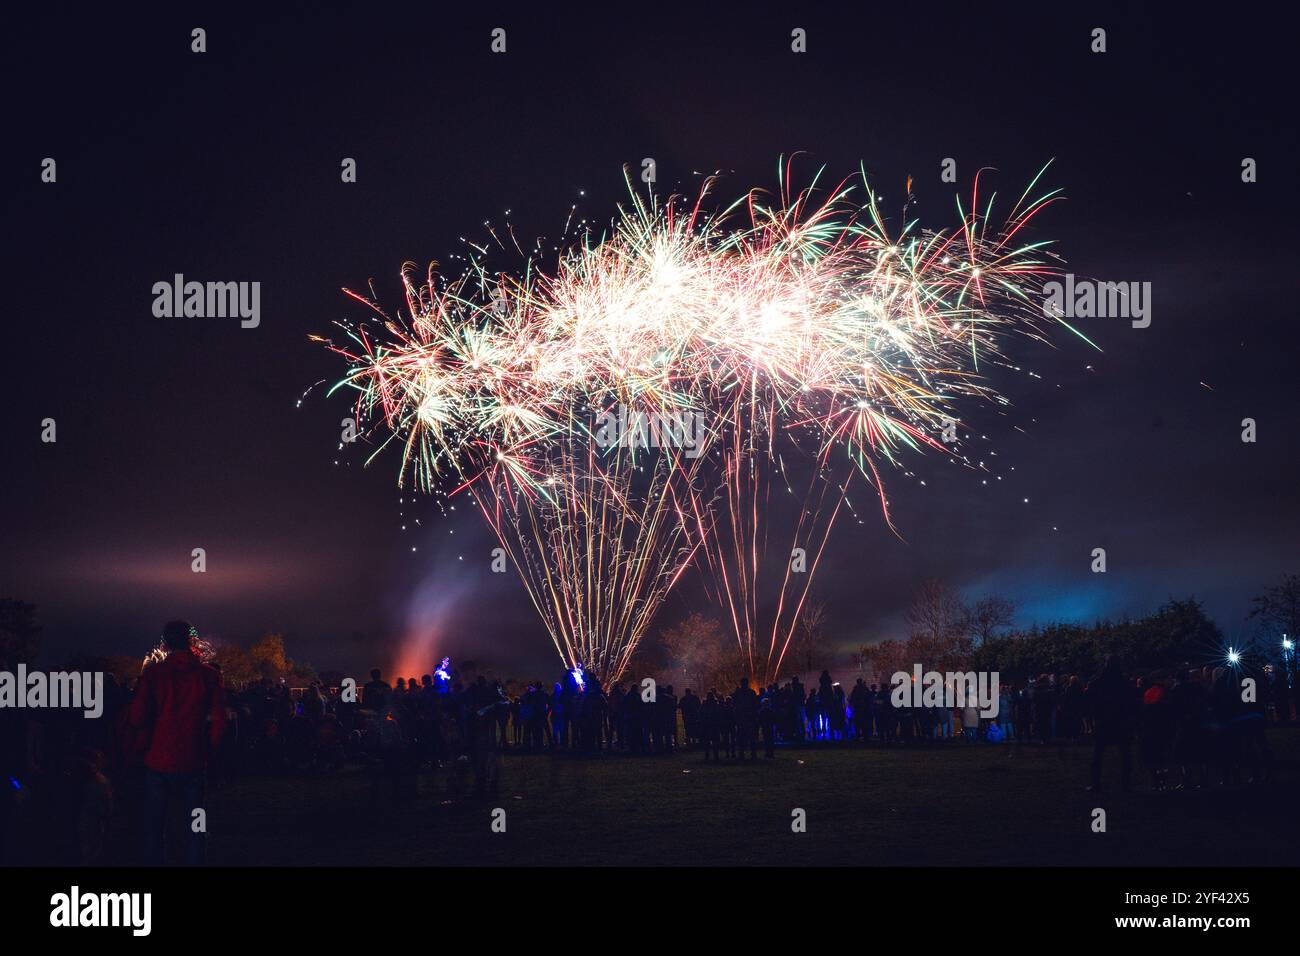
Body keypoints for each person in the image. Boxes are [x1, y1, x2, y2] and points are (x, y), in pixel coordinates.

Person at [125, 620, 226, 865]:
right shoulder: (209, 675)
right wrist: (210, 751)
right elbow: (218, 720)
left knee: (154, 823)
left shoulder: (153, 674)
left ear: (166, 643)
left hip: (158, 757)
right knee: (196, 819)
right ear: (191, 641)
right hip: (193, 757)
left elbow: (137, 716)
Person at [1086, 655, 1136, 792]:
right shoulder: (1125, 682)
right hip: (1121, 722)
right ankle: (1126, 784)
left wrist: (1093, 720)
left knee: (1098, 755)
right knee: (1125, 754)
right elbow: (1132, 703)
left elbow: (1091, 703)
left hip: (1104, 722)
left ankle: (1096, 783)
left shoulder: (1098, 682)